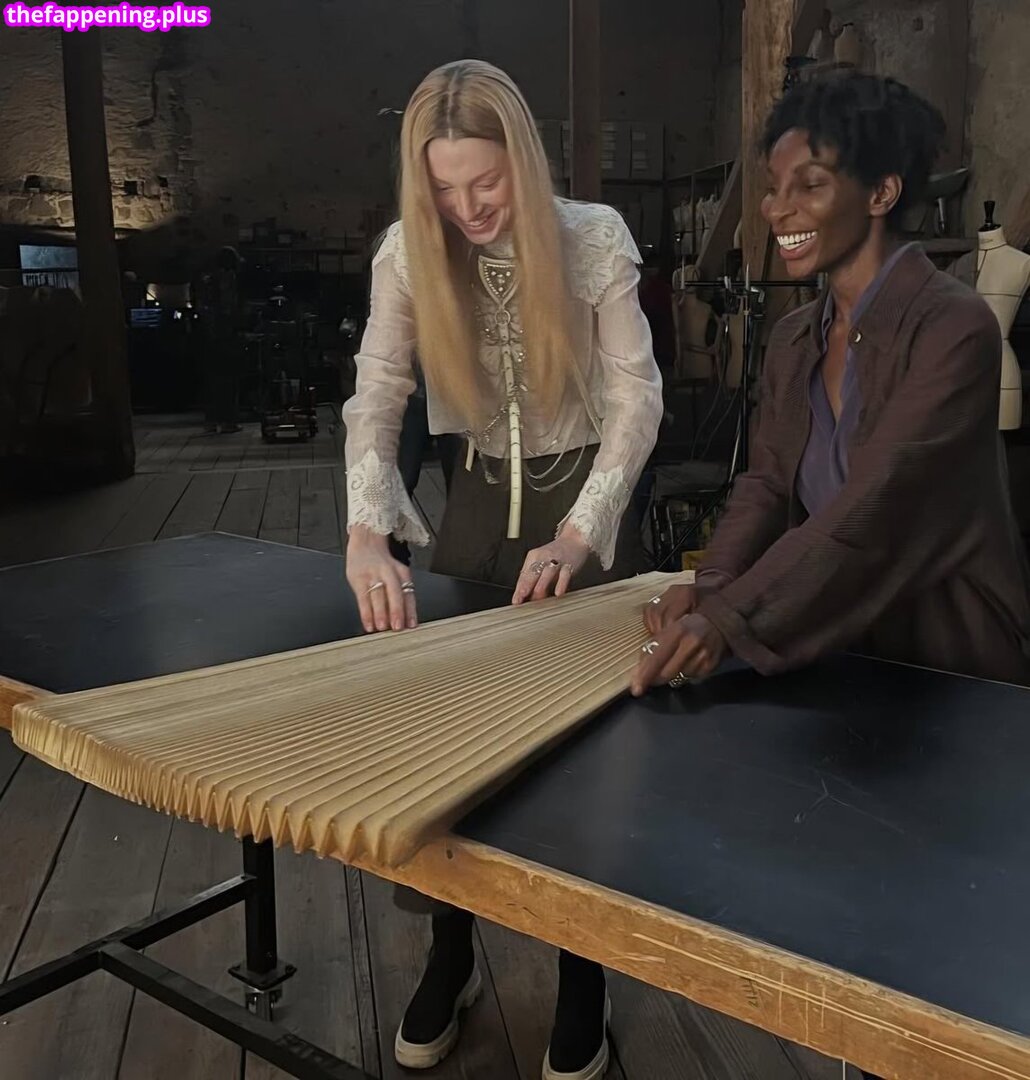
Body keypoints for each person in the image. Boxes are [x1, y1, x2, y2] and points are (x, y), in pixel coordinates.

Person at [341, 60, 663, 1079]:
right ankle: (450, 952)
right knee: (446, 745)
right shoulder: (407, 252)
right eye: (445, 188)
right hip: (476, 502)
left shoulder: (595, 238)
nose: (468, 207)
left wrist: (584, 531)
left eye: (485, 182)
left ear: (522, 160)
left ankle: (583, 974)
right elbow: (377, 392)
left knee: (584, 759)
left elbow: (637, 399)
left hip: (586, 504)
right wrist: (365, 528)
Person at [633, 75, 1030, 702]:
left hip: (954, 671)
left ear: (880, 192)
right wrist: (711, 584)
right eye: (774, 188)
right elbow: (767, 483)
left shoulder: (953, 327)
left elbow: (878, 506)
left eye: (810, 186)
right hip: (842, 652)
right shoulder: (795, 340)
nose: (775, 209)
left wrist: (730, 618)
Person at [195, 245, 244, 434]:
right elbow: (228, 308)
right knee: (229, 381)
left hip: (208, 338)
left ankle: (211, 420)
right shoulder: (227, 280)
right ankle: (228, 420)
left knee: (212, 381)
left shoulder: (207, 280)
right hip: (225, 336)